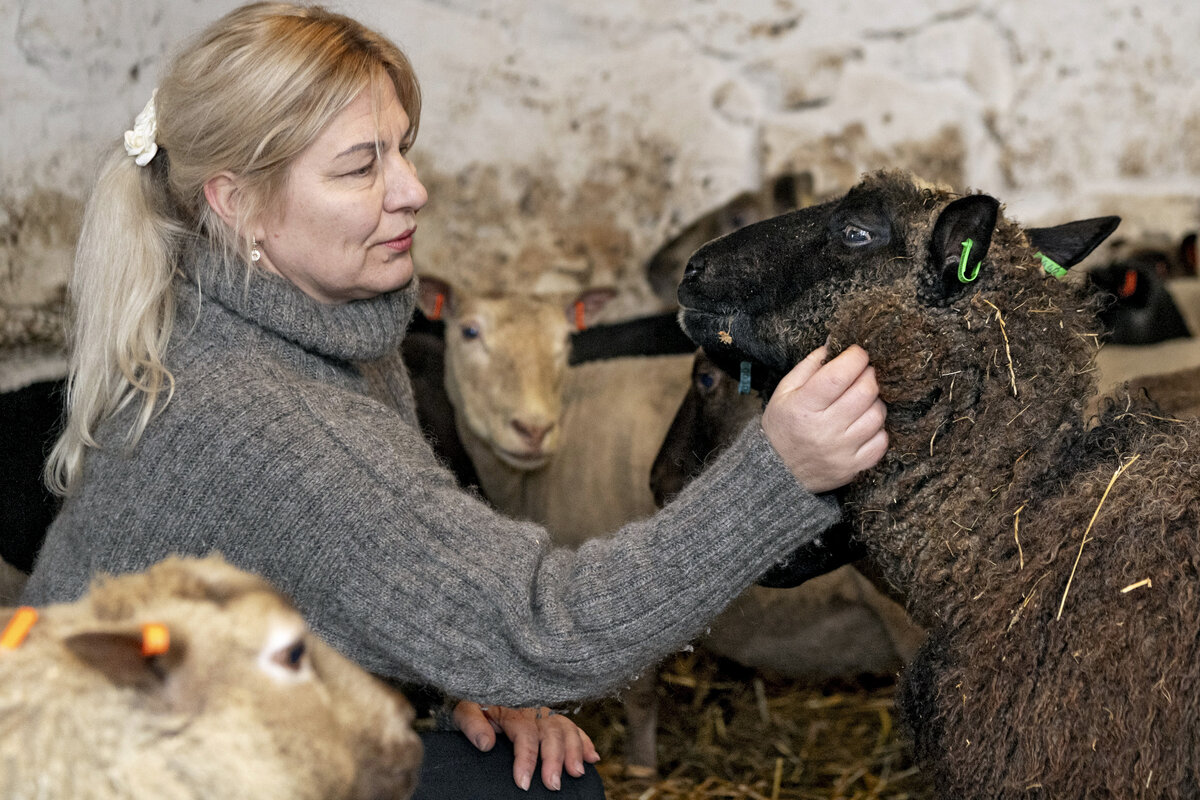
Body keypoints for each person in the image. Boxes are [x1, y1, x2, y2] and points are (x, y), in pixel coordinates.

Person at [22, 3, 888, 797]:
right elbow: (547, 628)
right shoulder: (274, 424)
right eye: (361, 166)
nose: (412, 190)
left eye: (402, 148)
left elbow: (338, 584)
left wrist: (454, 673)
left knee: (529, 772)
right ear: (238, 205)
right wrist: (778, 470)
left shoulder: (265, 328)